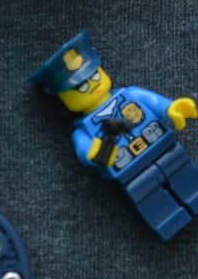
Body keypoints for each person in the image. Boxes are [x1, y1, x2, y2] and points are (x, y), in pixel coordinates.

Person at [29, 31, 198, 239]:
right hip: (132, 175)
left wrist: (172, 109)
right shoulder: (83, 130)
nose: (92, 85)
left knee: (186, 175)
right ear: (64, 98)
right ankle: (170, 222)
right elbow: (85, 151)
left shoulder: (131, 94)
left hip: (167, 150)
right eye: (81, 87)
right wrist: (95, 153)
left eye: (95, 76)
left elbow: (155, 103)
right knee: (151, 201)